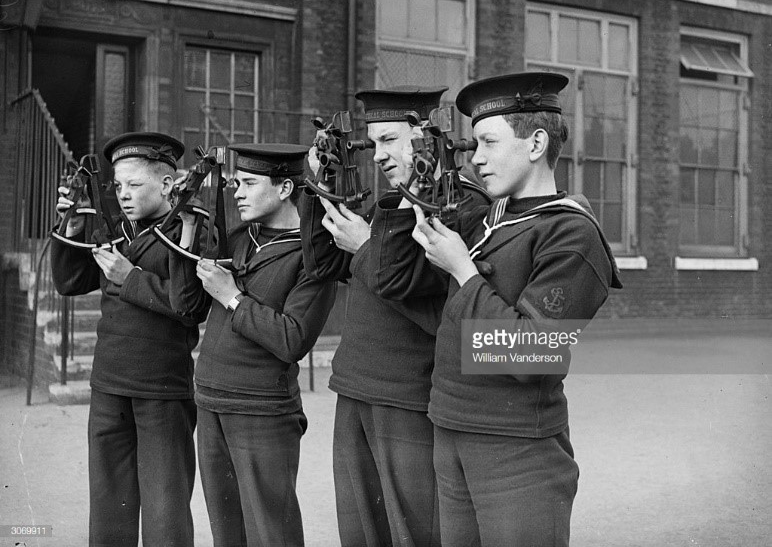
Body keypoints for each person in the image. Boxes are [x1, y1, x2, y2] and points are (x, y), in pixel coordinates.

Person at [372, 72, 623, 546]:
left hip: (516, 450)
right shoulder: (491, 218)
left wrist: (463, 272)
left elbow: (532, 354)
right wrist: (406, 195)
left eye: (489, 142)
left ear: (536, 144)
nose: (478, 158)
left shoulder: (571, 234)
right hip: (451, 429)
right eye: (475, 144)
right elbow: (391, 282)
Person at [299, 86, 490, 547]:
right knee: (361, 531)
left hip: (409, 395)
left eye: (389, 140)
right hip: (356, 386)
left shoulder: (462, 206)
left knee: (414, 531)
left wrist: (366, 245)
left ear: (424, 137)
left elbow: (399, 283)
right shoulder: (385, 203)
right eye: (373, 142)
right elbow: (320, 263)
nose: (378, 154)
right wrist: (317, 181)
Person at [169, 143, 336, 547]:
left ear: (283, 189)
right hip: (211, 400)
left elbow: (293, 338)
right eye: (235, 183)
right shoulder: (240, 238)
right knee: (227, 533)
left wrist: (232, 297)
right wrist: (189, 230)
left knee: (269, 533)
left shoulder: (313, 254)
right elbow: (187, 305)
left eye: (247, 183)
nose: (237, 192)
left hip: (262, 410)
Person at [51, 132, 209, 547]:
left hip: (161, 388)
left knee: (165, 512)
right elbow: (69, 281)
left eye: (135, 185)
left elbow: (190, 306)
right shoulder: (116, 228)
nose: (123, 194)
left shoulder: (192, 227)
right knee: (108, 510)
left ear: (167, 184)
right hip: (109, 385)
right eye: (118, 185)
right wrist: (70, 220)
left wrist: (131, 278)